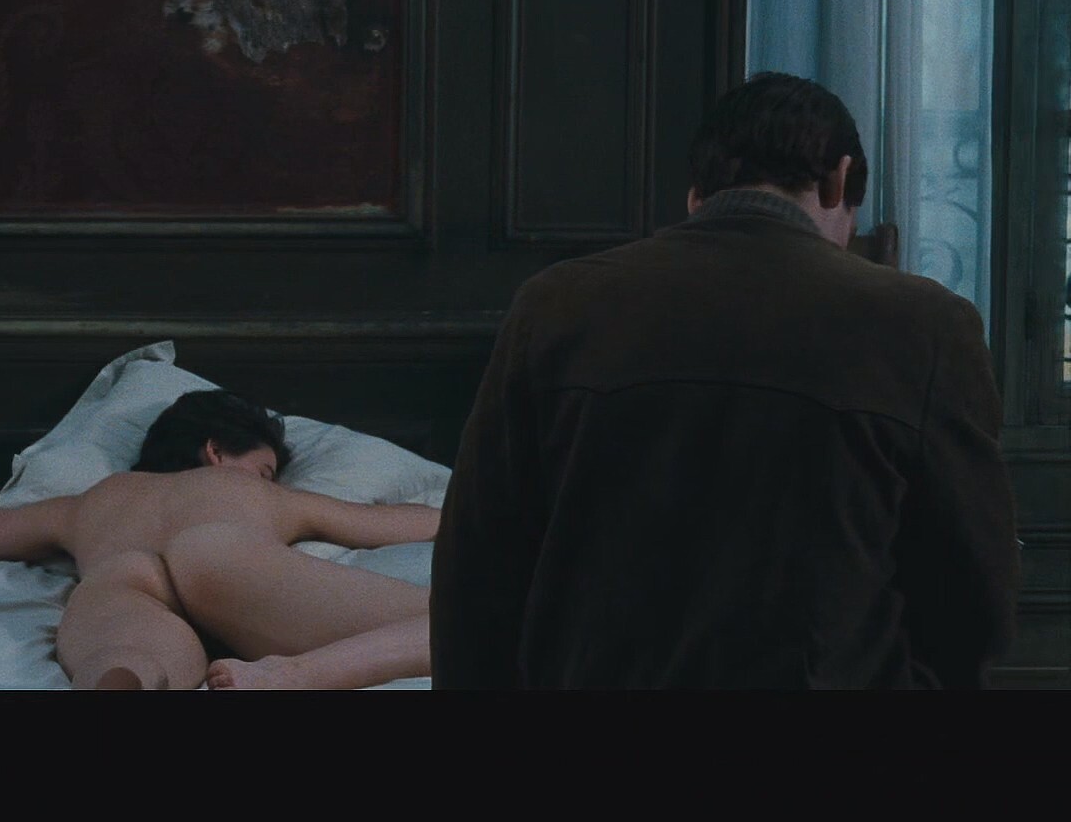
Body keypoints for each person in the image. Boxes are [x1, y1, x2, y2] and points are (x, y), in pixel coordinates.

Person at [432, 71, 1019, 688]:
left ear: (696, 196)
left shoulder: (555, 307)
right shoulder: (926, 326)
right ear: (839, 179)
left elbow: (476, 573)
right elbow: (975, 595)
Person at [0, 389, 439, 689]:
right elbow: (401, 524)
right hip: (221, 557)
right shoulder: (244, 489)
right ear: (217, 451)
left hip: (117, 576)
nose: (269, 481)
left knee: (125, 661)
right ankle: (294, 675)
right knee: (462, 623)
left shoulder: (95, 499)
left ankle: (126, 674)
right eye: (265, 469)